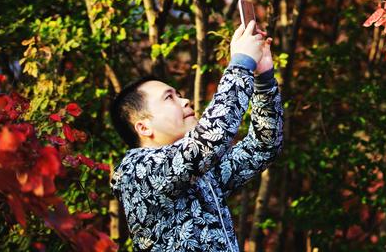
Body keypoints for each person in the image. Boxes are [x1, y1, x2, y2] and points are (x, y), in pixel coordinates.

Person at [110, 20, 283, 252]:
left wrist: (263, 79)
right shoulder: (137, 170)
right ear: (144, 128)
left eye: (178, 94)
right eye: (169, 98)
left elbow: (262, 147)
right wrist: (241, 63)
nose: (184, 101)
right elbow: (208, 141)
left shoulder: (200, 174)